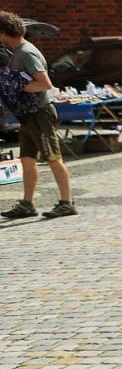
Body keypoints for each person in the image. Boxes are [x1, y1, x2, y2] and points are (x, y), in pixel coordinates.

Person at [0, 11, 75, 219]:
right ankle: (27, 204)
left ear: (4, 32)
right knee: (27, 159)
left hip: (40, 113)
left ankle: (67, 202)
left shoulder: (26, 53)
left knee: (52, 157)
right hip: (28, 114)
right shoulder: (16, 51)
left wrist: (16, 88)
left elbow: (44, 84)